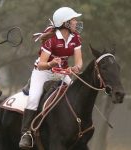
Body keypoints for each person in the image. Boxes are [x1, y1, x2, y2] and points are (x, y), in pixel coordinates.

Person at [19, 7, 83, 149]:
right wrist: (51, 63)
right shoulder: (51, 40)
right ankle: (26, 134)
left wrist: (75, 68)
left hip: (62, 72)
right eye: (73, 20)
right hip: (43, 72)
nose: (76, 22)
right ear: (65, 23)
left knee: (76, 93)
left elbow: (79, 62)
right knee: (34, 99)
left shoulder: (76, 38)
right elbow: (41, 65)